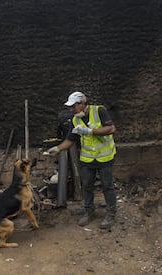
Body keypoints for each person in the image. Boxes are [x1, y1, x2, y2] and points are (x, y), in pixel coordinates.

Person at [47, 91, 117, 229]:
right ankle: (89, 211)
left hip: (105, 158)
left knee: (107, 186)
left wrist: (90, 131)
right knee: (87, 186)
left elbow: (111, 128)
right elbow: (70, 140)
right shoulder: (75, 120)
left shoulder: (99, 111)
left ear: (82, 104)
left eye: (73, 106)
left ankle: (111, 213)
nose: (71, 109)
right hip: (87, 159)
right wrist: (57, 149)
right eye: (70, 107)